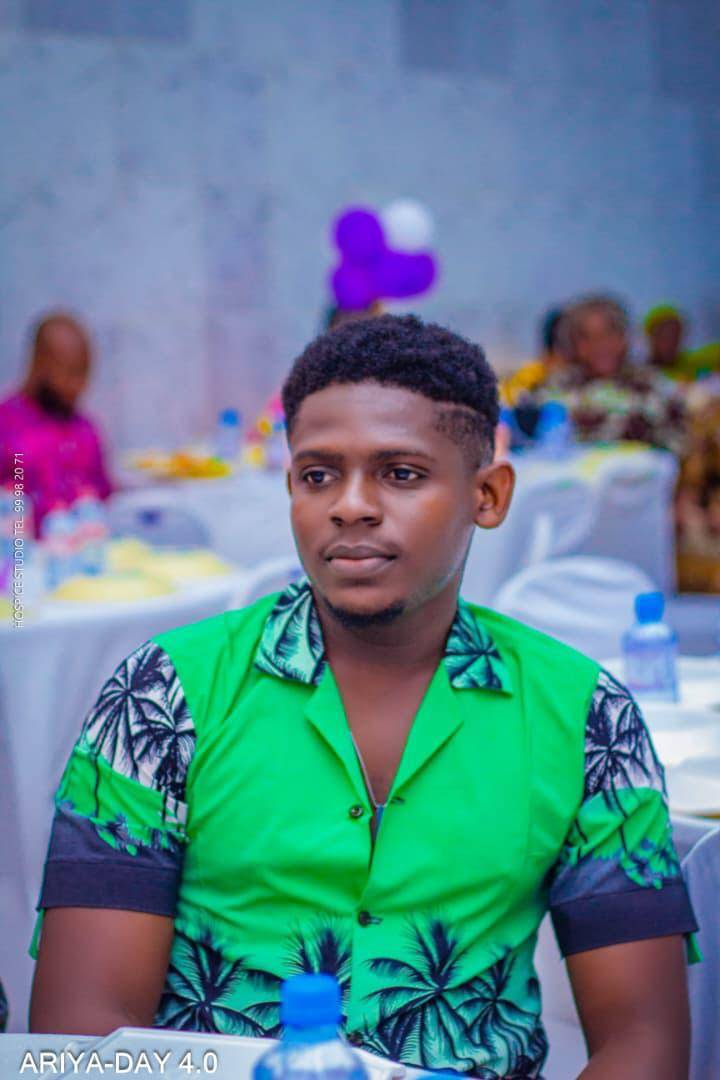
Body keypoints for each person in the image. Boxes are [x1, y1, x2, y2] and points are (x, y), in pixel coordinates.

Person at [30, 316, 696, 1078]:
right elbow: (80, 1034)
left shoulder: (586, 717)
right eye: (318, 475)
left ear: (487, 494)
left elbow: (643, 1040)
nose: (350, 506)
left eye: (400, 474)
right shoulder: (161, 697)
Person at [0, 312, 113, 534]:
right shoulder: (7, 426)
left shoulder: (85, 431)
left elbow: (104, 496)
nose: (78, 385)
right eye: (70, 372)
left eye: (84, 372)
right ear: (40, 362)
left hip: (81, 552)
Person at [543, 295, 686, 454]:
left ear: (624, 338)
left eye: (608, 334)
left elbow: (677, 444)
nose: (599, 345)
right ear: (573, 345)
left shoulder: (651, 385)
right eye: (586, 337)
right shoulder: (557, 387)